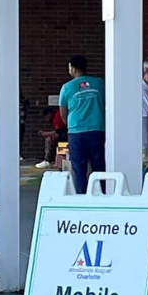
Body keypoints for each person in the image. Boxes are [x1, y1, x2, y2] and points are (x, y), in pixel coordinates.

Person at [60, 54, 106, 194]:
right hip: (97, 129)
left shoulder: (67, 87)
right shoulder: (99, 83)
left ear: (73, 68)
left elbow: (63, 112)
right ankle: (102, 194)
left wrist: (71, 124)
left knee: (79, 168)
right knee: (98, 166)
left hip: (76, 132)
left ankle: (82, 195)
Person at [36, 104, 67, 170]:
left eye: (46, 117)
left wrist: (46, 133)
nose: (47, 120)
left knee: (50, 139)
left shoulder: (57, 117)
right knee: (53, 138)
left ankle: (48, 160)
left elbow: (59, 132)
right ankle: (54, 160)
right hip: (66, 133)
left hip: (66, 135)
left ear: (49, 114)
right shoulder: (56, 116)